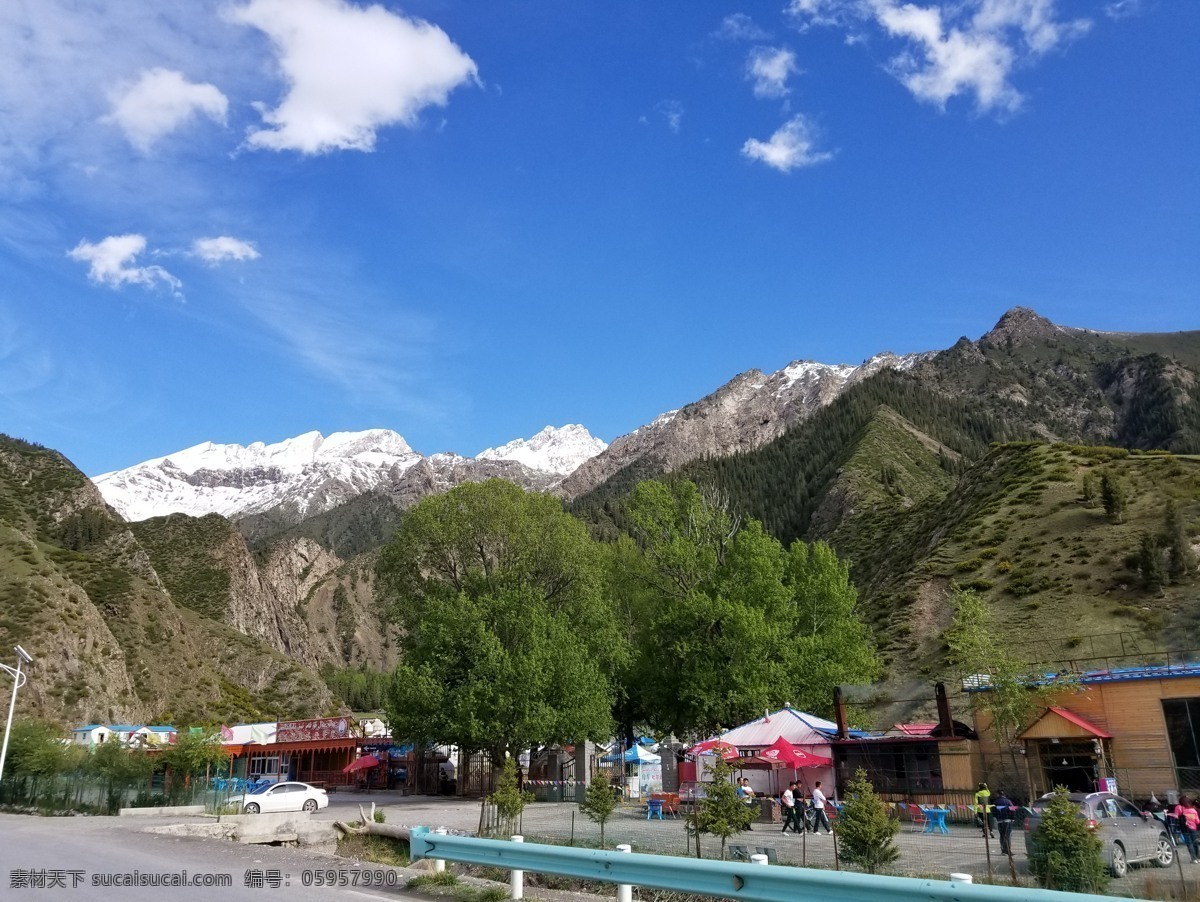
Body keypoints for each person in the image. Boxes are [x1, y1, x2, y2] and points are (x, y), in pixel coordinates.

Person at [1173, 796, 1200, 863]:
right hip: (1193, 829)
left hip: (1184, 828)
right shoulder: (1193, 810)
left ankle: (1193, 859)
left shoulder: (1178, 807)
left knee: (1189, 843)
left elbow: (1176, 817)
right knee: (1195, 842)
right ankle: (1198, 858)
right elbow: (1197, 821)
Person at [992, 789, 1015, 855]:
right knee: (1008, 835)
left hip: (999, 821)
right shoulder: (1008, 801)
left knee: (1002, 835)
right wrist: (1012, 818)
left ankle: (1003, 850)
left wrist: (996, 817)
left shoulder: (995, 802)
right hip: (1007, 820)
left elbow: (993, 811)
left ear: (998, 794)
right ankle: (1008, 850)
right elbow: (1012, 809)